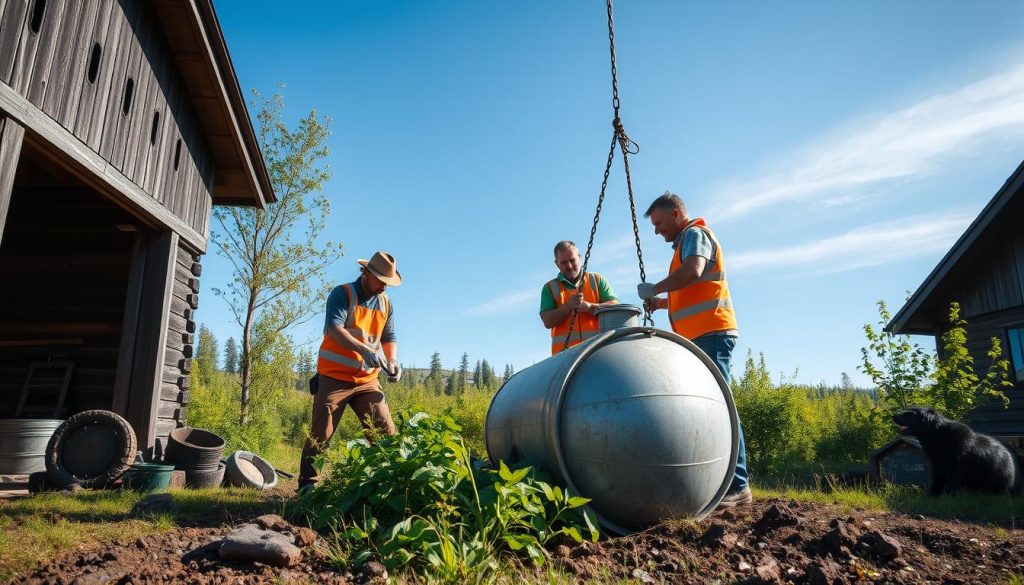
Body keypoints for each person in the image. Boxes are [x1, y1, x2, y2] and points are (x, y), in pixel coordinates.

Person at [636, 192, 751, 508]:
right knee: (714, 405)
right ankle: (725, 483)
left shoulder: (695, 235)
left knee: (722, 406)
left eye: (659, 223)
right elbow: (691, 288)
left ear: (676, 214)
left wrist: (656, 287)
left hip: (711, 332)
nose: (657, 230)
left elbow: (694, 271)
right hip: (701, 334)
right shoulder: (685, 243)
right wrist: (661, 302)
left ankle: (738, 486)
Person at [298, 251, 403, 490]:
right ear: (366, 274)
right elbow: (334, 329)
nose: (384, 288)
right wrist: (365, 350)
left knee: (384, 432)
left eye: (388, 284)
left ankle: (387, 485)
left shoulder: (386, 303)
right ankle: (307, 486)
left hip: (368, 380)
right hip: (334, 378)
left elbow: (389, 336)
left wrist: (393, 360)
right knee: (321, 435)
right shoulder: (343, 293)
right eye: (381, 282)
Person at [540, 240, 619, 355]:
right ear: (556, 264)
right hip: (564, 358)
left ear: (579, 258)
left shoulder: (597, 280)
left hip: (599, 352)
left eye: (572, 260)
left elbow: (615, 308)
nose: (569, 266)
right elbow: (548, 321)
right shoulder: (550, 288)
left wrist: (590, 307)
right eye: (563, 262)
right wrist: (568, 306)